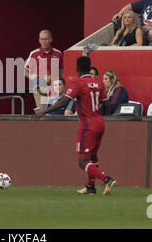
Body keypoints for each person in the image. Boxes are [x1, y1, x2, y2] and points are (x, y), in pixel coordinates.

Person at [31, 56, 117, 196]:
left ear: (77, 69)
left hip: (87, 125)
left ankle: (107, 179)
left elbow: (64, 102)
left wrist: (44, 111)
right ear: (89, 68)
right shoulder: (98, 83)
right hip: (100, 123)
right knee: (93, 156)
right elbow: (107, 104)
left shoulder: (78, 83)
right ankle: (91, 186)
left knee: (82, 161)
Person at [24, 29, 63, 112]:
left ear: (51, 40)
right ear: (39, 41)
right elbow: (26, 72)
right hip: (40, 90)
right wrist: (37, 79)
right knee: (42, 113)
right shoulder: (34, 54)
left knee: (56, 112)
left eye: (46, 39)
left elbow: (61, 72)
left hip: (55, 89)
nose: (44, 41)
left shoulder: (58, 54)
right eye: (41, 39)